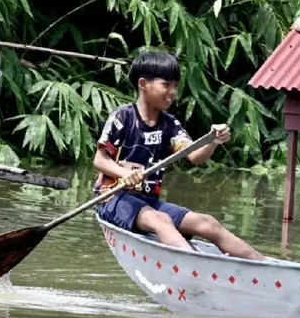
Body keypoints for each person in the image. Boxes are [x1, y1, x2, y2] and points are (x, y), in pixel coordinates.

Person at [93, 51, 264, 260]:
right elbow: (100, 160)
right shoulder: (123, 117)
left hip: (148, 202)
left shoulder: (169, 124)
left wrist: (213, 141)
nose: (173, 92)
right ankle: (195, 265)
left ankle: (266, 265)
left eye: (175, 86)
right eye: (166, 84)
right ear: (143, 84)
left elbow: (193, 156)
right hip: (115, 198)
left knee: (207, 223)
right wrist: (123, 173)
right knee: (161, 220)